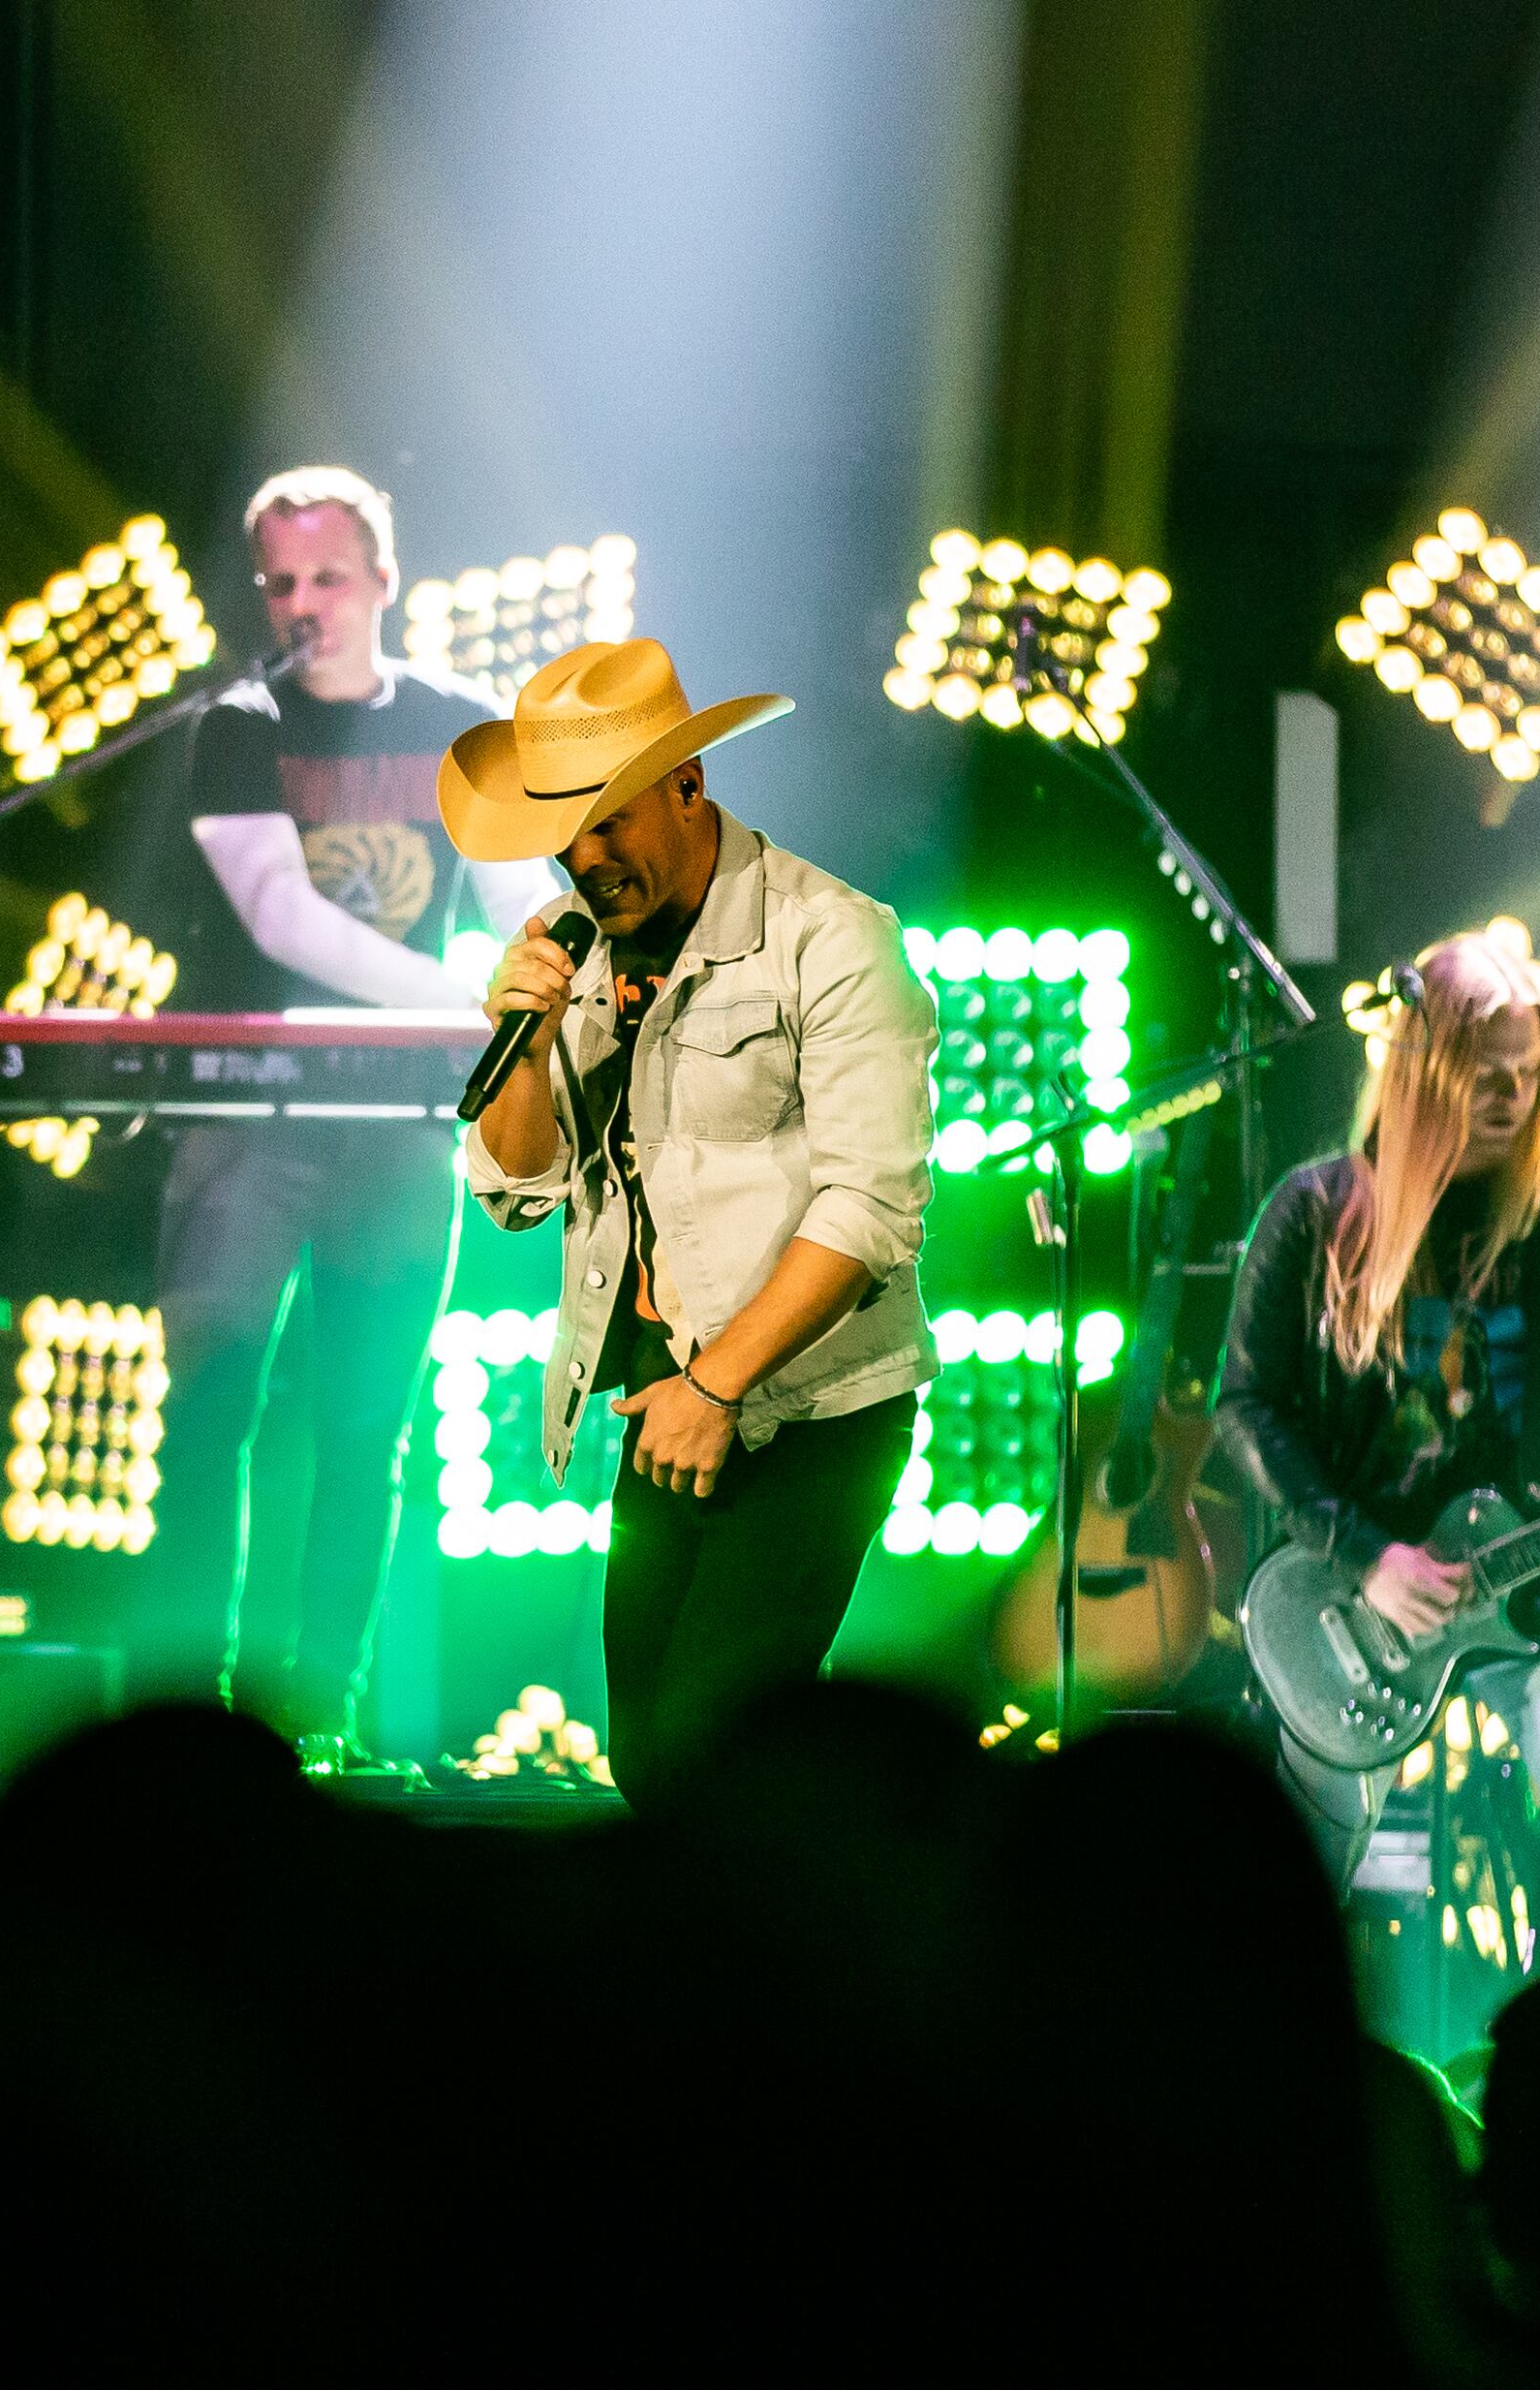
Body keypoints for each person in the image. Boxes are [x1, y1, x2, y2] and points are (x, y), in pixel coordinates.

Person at [114, 465, 556, 1751]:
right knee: (211, 1411)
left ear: (383, 579)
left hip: (398, 1132)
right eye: (281, 582)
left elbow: (512, 901)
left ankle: (323, 1718)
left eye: (327, 577)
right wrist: (458, 1000)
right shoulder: (237, 725)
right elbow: (284, 918)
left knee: (369, 1427)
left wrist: (541, 974)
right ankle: (184, 1721)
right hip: (250, 1121)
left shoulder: (461, 722)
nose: (303, 604)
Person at [457, 638, 939, 1811]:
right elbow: (518, 1189)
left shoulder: (830, 937)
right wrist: (528, 1033)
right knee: (647, 1762)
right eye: (566, 832)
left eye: (611, 821)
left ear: (689, 785)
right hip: (659, 1405)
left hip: (805, 1412)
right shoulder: (574, 948)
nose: (587, 856)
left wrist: (719, 1386)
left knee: (719, 1763)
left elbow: (871, 1207)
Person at [1213, 929, 1540, 1894]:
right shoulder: (1314, 1211)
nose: (1511, 1097)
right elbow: (1247, 1406)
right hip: (1358, 1597)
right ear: (1422, 1070)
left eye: (1528, 1072)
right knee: (1277, 1895)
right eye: (1485, 1072)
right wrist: (1366, 1554)